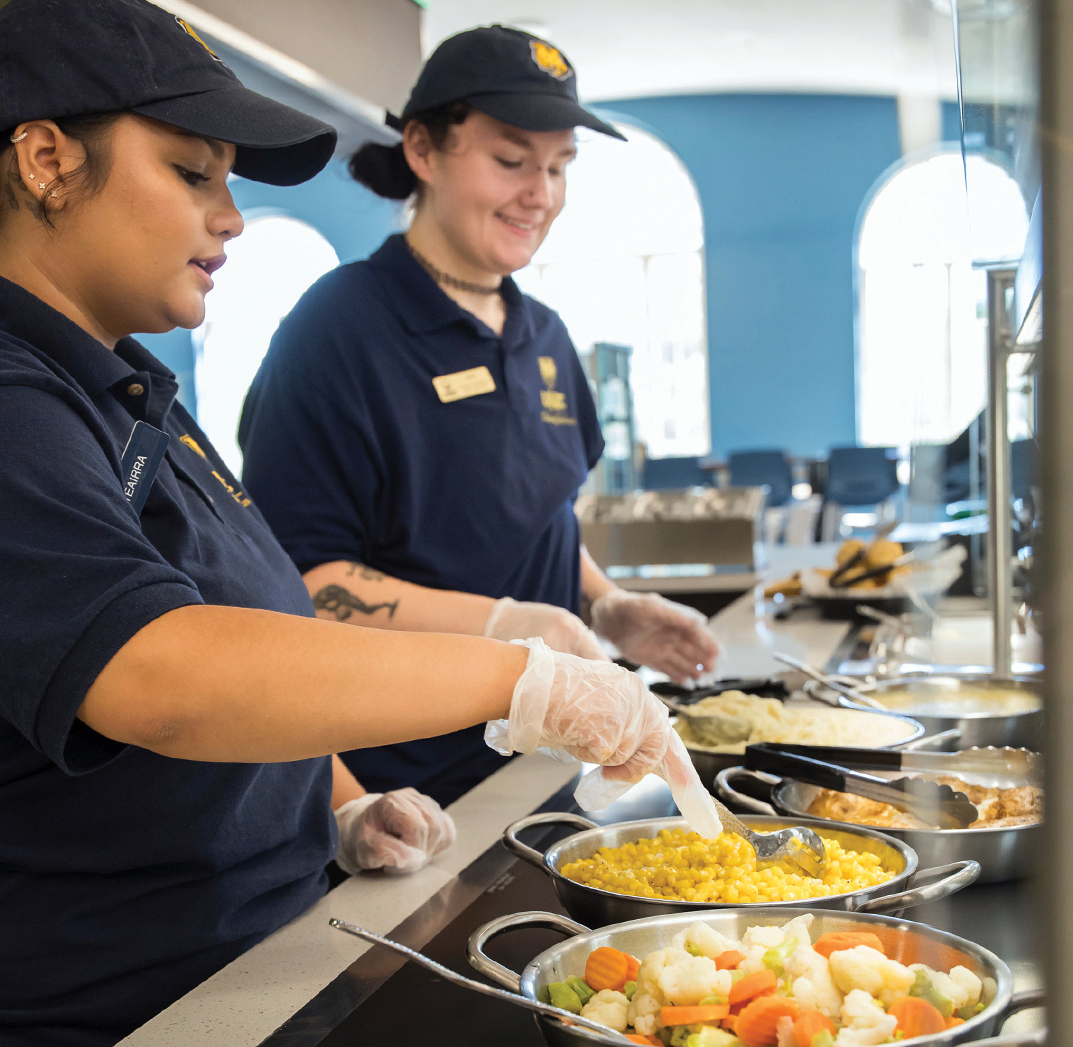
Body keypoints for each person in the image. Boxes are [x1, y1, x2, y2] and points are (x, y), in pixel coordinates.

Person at [0, 3, 700, 1047]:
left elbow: (250, 615)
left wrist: (337, 799)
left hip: (236, 962)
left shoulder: (126, 389)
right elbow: (161, 674)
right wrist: (524, 677)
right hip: (34, 1027)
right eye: (192, 175)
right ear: (45, 161)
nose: (231, 217)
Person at [238, 26, 721, 805]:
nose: (543, 194)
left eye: (560, 168)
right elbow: (305, 584)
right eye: (511, 161)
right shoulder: (339, 329)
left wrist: (605, 604)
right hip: (411, 788)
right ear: (423, 150)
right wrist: (505, 627)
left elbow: (542, 517)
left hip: (553, 759)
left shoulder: (547, 337)